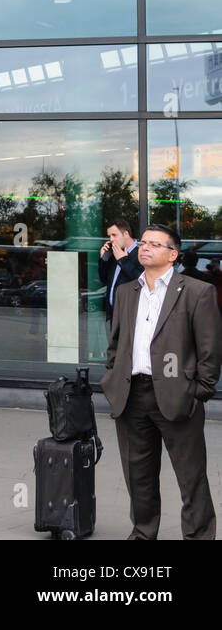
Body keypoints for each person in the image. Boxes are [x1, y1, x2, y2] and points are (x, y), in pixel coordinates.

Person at [102, 223, 222, 539]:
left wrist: (201, 391)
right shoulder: (127, 291)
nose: (145, 247)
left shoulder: (197, 292)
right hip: (132, 396)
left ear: (173, 255)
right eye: (143, 242)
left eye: (155, 244)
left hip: (178, 396)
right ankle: (143, 533)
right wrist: (113, 375)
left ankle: (198, 536)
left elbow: (210, 347)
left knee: (191, 476)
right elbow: (115, 342)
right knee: (138, 476)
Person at [98, 218, 143, 323]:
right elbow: (104, 279)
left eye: (114, 235)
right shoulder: (114, 253)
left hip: (131, 318)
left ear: (126, 234)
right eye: (109, 236)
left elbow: (143, 280)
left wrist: (123, 260)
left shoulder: (141, 253)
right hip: (114, 316)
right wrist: (104, 259)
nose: (111, 239)